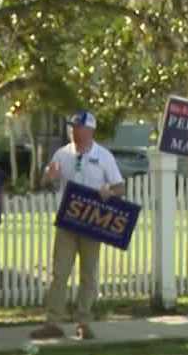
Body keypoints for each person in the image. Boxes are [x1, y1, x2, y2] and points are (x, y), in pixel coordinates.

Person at [31, 110, 124, 341]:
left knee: (88, 274)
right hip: (68, 222)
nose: (74, 131)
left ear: (90, 130)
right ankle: (53, 322)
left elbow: (120, 187)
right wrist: (48, 177)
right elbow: (45, 180)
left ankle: (84, 321)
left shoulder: (103, 156)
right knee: (59, 273)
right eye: (72, 127)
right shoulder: (62, 154)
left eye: (79, 128)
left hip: (92, 222)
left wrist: (109, 192)